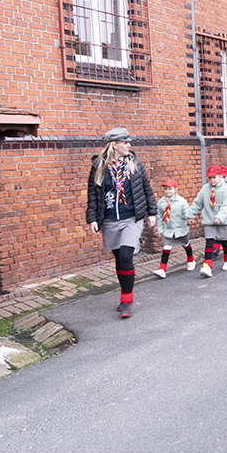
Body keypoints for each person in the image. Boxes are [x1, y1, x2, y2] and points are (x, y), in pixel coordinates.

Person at [86, 127, 157, 318]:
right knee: (119, 260)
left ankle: (127, 300)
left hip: (131, 219)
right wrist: (92, 218)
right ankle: (124, 296)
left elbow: (146, 188)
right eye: (125, 142)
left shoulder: (134, 163)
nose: (129, 145)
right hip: (109, 220)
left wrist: (152, 212)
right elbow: (92, 194)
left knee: (126, 256)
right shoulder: (99, 166)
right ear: (115, 145)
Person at [187, 165, 227, 277]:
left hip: (222, 221)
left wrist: (220, 217)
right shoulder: (205, 189)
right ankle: (207, 266)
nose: (212, 180)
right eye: (210, 178)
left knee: (223, 241)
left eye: (214, 177)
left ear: (220, 176)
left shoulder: (225, 189)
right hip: (209, 220)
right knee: (209, 242)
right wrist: (190, 215)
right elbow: (198, 203)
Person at [153, 178, 195, 279]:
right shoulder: (161, 203)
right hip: (169, 229)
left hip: (180, 228)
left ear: (175, 190)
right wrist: (160, 230)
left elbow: (186, 212)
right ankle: (162, 269)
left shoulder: (181, 201)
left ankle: (191, 260)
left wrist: (189, 218)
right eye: (166, 189)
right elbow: (159, 217)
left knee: (185, 244)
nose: (168, 191)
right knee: (166, 247)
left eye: (170, 189)